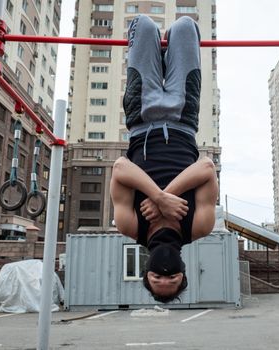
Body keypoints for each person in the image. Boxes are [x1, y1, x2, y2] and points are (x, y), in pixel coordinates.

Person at [110, 15, 218, 303]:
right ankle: (171, 44)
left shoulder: (130, 225)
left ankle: (157, 45)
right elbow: (206, 167)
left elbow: (120, 167)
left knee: (143, 24)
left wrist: (157, 197)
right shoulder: (199, 226)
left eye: (158, 277)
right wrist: (164, 197)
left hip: (142, 114)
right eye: (172, 278)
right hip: (183, 116)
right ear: (183, 272)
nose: (165, 271)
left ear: (146, 272)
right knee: (185, 26)